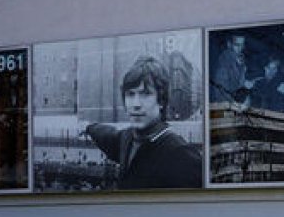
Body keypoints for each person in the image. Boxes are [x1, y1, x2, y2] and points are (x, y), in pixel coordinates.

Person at [85, 56, 202, 190]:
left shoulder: (180, 155)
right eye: (130, 94)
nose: (136, 104)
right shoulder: (126, 139)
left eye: (145, 94)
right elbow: (105, 134)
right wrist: (89, 128)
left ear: (161, 101)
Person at [211, 34, 256, 104]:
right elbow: (221, 93)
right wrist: (244, 87)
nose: (240, 48)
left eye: (242, 45)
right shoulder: (223, 63)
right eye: (237, 45)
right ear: (229, 44)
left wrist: (245, 83)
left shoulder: (240, 60)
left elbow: (237, 82)